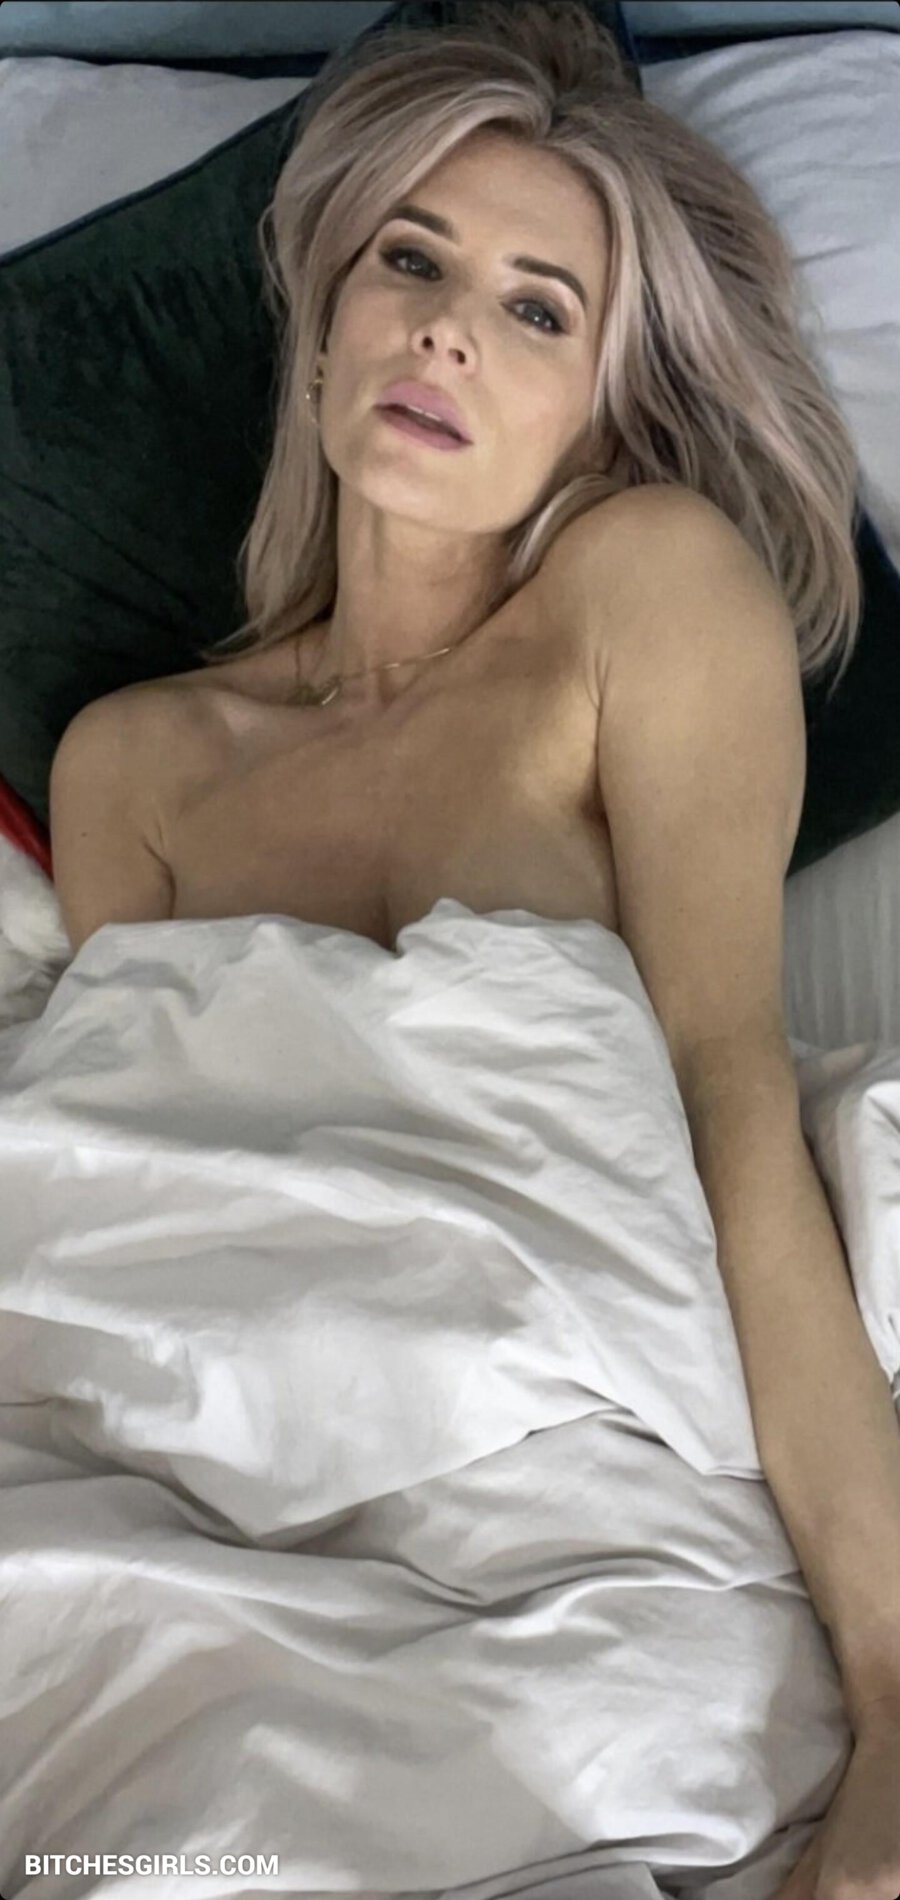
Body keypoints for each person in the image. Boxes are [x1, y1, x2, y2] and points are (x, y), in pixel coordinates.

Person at [47, 4, 900, 1891]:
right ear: (326, 323)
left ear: (604, 398)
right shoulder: (136, 766)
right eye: (411, 263)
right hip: (154, 1495)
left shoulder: (642, 591)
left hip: (548, 1488)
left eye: (535, 308)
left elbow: (730, 1105)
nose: (446, 329)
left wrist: (899, 1688)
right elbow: (116, 1200)